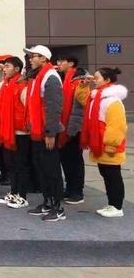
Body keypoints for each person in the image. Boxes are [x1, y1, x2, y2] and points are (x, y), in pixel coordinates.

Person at [76, 67, 128, 218]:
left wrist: (111, 144)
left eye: (97, 77)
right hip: (100, 144)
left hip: (109, 146)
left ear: (107, 80)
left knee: (113, 176)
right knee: (106, 174)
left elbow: (117, 125)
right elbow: (81, 98)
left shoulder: (112, 101)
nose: (94, 80)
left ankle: (117, 206)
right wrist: (84, 85)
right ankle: (112, 203)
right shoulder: (97, 97)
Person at [24, 45, 66, 222]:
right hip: (38, 131)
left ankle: (58, 208)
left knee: (51, 170)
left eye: (34, 56)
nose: (30, 59)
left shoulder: (50, 76)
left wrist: (50, 132)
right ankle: (47, 202)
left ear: (43, 58)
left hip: (47, 132)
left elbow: (53, 107)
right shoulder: (37, 76)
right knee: (41, 169)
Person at [0, 57, 31, 209]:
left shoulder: (23, 86)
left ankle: (22, 196)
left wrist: (27, 126)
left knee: (21, 165)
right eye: (4, 66)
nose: (5, 69)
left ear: (17, 69)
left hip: (21, 132)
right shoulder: (7, 84)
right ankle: (14, 192)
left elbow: (29, 109)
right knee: (11, 164)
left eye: (7, 66)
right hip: (8, 130)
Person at [56, 55, 86, 205]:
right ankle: (70, 188)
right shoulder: (64, 79)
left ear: (71, 63)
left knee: (75, 161)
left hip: (74, 127)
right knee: (66, 160)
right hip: (65, 125)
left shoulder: (79, 80)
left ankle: (77, 192)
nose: (58, 64)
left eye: (61, 61)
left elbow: (83, 102)